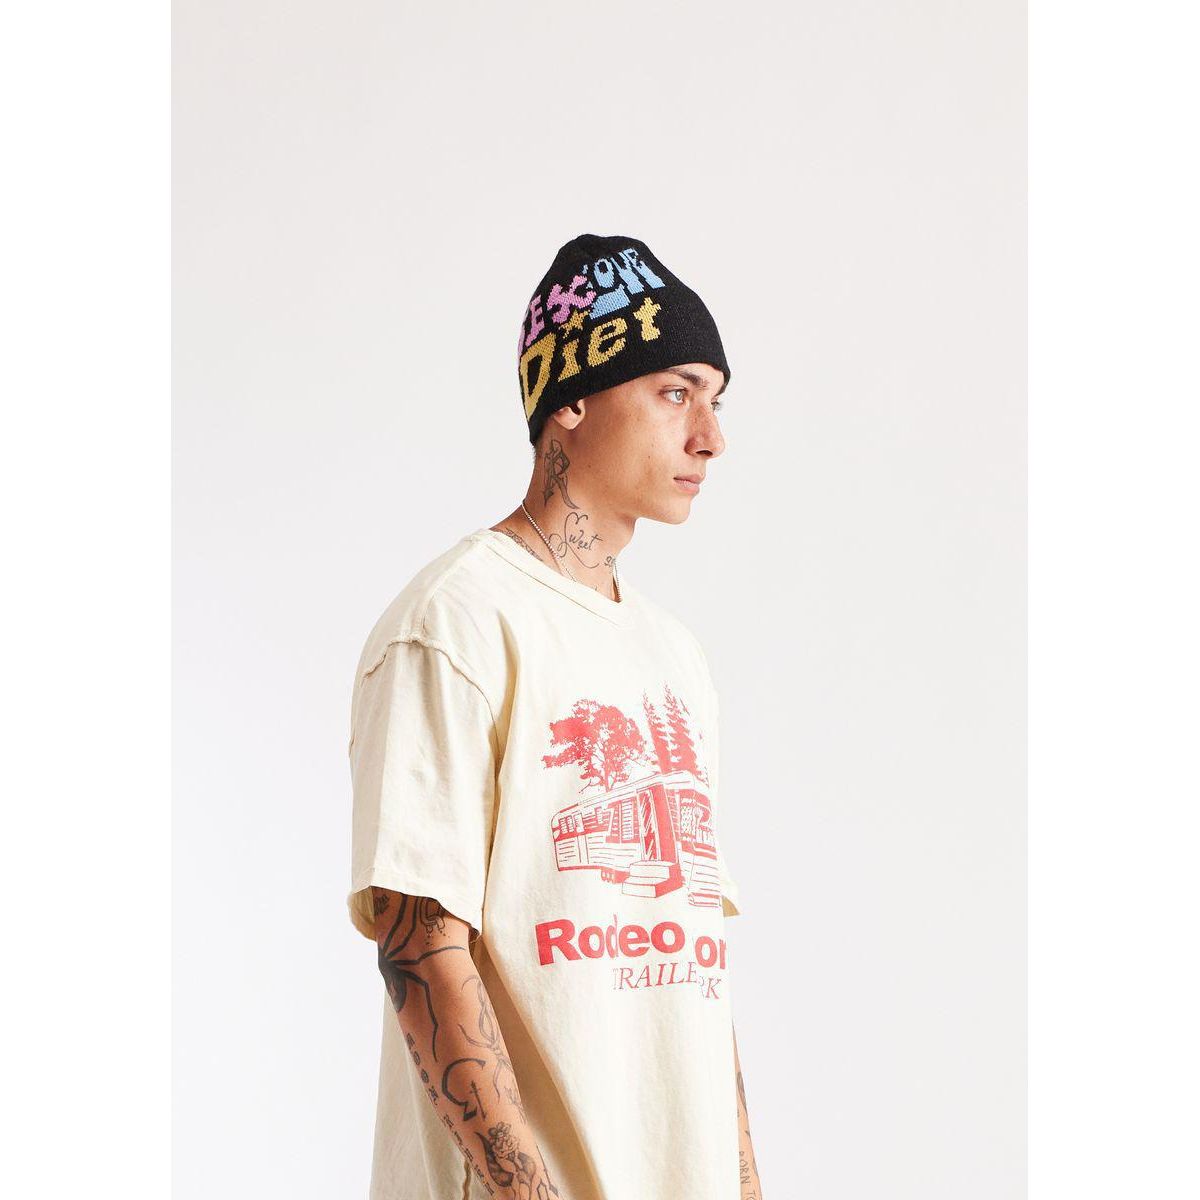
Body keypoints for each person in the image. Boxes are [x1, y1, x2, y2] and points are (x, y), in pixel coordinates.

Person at [346, 232, 762, 1199]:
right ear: (570, 399)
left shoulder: (673, 655)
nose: (710, 436)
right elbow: (422, 946)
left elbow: (693, 965)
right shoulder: (454, 625)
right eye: (677, 392)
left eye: (717, 400)